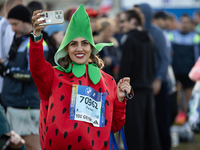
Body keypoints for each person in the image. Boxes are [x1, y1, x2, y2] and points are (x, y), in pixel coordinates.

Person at [30, 4, 133, 150]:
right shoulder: (53, 75)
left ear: (91, 47)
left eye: (84, 43)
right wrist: (36, 37)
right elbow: (37, 66)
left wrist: (121, 100)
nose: (79, 49)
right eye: (73, 44)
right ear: (66, 48)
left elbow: (115, 125)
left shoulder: (108, 81)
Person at [0, 5, 48, 150]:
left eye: (15, 24)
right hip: (13, 104)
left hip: (26, 107)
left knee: (32, 147)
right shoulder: (18, 40)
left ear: (28, 23)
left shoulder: (37, 44)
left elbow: (34, 75)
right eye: (11, 25)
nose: (12, 29)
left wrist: (7, 70)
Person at [119, 9, 161, 150]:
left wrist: (120, 87)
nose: (121, 25)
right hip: (147, 90)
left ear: (132, 21)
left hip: (133, 92)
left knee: (134, 131)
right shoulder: (149, 38)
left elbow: (125, 69)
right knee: (150, 129)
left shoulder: (130, 40)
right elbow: (154, 64)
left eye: (123, 21)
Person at [134, 3, 171, 150]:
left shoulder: (157, 33)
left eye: (140, 13)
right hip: (143, 85)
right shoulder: (136, 33)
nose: (138, 16)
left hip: (158, 85)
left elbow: (165, 59)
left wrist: (158, 79)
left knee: (161, 120)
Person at [168, 14, 200, 112]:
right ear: (179, 23)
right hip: (175, 71)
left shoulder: (195, 37)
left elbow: (197, 55)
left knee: (188, 97)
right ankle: (177, 119)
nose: (184, 24)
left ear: (190, 24)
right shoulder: (172, 35)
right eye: (182, 22)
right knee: (175, 98)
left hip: (189, 72)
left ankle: (187, 118)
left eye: (187, 22)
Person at [0, 0, 24, 106]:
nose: (23, 11)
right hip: (6, 80)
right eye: (19, 7)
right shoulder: (9, 28)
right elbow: (10, 55)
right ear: (9, 9)